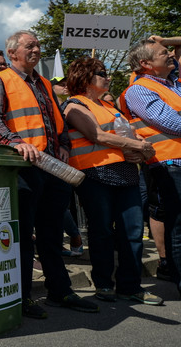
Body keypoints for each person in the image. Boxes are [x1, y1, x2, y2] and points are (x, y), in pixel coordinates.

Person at [0, 30, 99, 319]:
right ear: (12, 53)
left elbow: (57, 122)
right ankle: (21, 298)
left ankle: (60, 291)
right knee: (23, 235)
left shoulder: (45, 83)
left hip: (53, 168)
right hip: (24, 170)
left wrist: (63, 146)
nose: (37, 49)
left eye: (38, 45)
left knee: (51, 234)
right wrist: (17, 142)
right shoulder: (1, 80)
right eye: (30, 45)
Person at [62, 56, 161, 305]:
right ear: (85, 78)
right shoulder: (74, 105)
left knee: (133, 232)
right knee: (102, 231)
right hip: (96, 176)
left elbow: (125, 134)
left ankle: (130, 286)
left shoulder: (110, 107)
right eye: (102, 73)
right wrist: (136, 145)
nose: (108, 77)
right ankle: (104, 285)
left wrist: (138, 149)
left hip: (127, 174)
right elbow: (96, 134)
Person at [122, 37, 181, 300]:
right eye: (163, 52)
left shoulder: (177, 86)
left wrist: (167, 39)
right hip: (172, 166)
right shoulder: (139, 90)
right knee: (180, 226)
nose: (170, 54)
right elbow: (173, 123)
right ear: (146, 63)